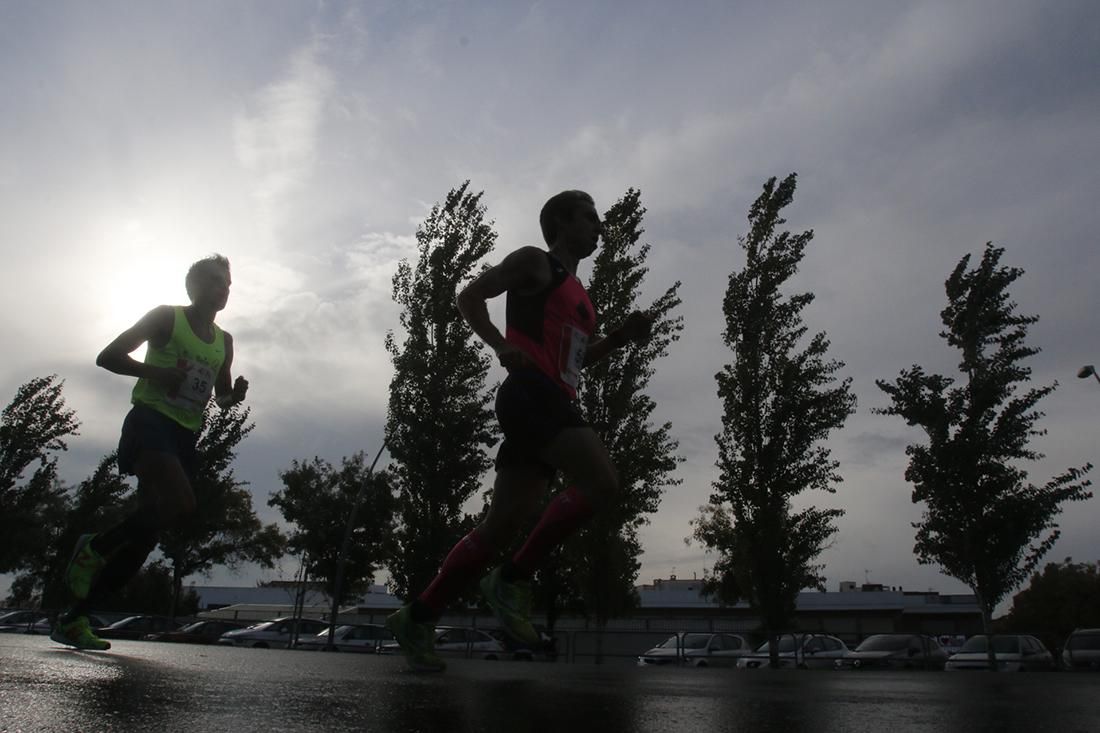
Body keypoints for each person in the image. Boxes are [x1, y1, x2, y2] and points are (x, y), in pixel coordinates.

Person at [386, 190, 653, 671]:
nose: (599, 226)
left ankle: (418, 615)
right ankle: (511, 579)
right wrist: (499, 346)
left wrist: (618, 339)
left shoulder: (582, 300)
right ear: (561, 222)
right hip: (531, 394)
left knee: (499, 527)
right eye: (590, 217)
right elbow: (468, 297)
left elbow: (578, 361)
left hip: (551, 400)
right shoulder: (535, 263)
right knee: (603, 482)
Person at [51, 254, 248, 650]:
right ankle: (93, 548)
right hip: (149, 421)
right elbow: (107, 356)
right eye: (213, 280)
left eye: (227, 283)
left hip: (184, 437)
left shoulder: (224, 342)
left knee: (143, 540)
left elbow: (221, 395)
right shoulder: (166, 318)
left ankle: (75, 618)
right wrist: (155, 372)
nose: (222, 288)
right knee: (182, 502)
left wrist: (233, 397)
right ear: (192, 287)